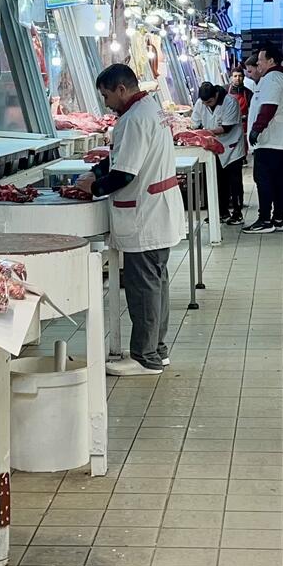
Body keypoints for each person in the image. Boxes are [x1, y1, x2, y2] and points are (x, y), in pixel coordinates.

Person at [76, 62, 186, 375]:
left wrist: (94, 187)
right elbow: (122, 155)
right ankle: (156, 350)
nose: (106, 103)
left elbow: (124, 172)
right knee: (156, 284)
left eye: (106, 95)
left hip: (145, 214)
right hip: (155, 210)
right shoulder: (148, 109)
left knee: (144, 288)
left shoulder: (134, 119)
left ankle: (145, 358)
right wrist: (97, 172)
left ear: (122, 89)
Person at [243, 47, 283, 233]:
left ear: (271, 60)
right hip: (278, 140)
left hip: (271, 140)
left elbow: (269, 106)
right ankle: (278, 219)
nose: (258, 64)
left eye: (260, 60)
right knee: (278, 180)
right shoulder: (281, 78)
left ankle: (265, 219)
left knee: (264, 180)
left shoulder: (273, 78)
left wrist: (257, 129)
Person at [194, 81, 245, 222]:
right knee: (218, 181)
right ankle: (221, 212)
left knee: (234, 181)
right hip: (213, 147)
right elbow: (195, 122)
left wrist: (206, 132)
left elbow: (226, 128)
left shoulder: (230, 102)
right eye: (204, 103)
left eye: (209, 101)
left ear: (216, 95)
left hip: (232, 146)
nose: (207, 105)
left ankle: (237, 213)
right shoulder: (201, 103)